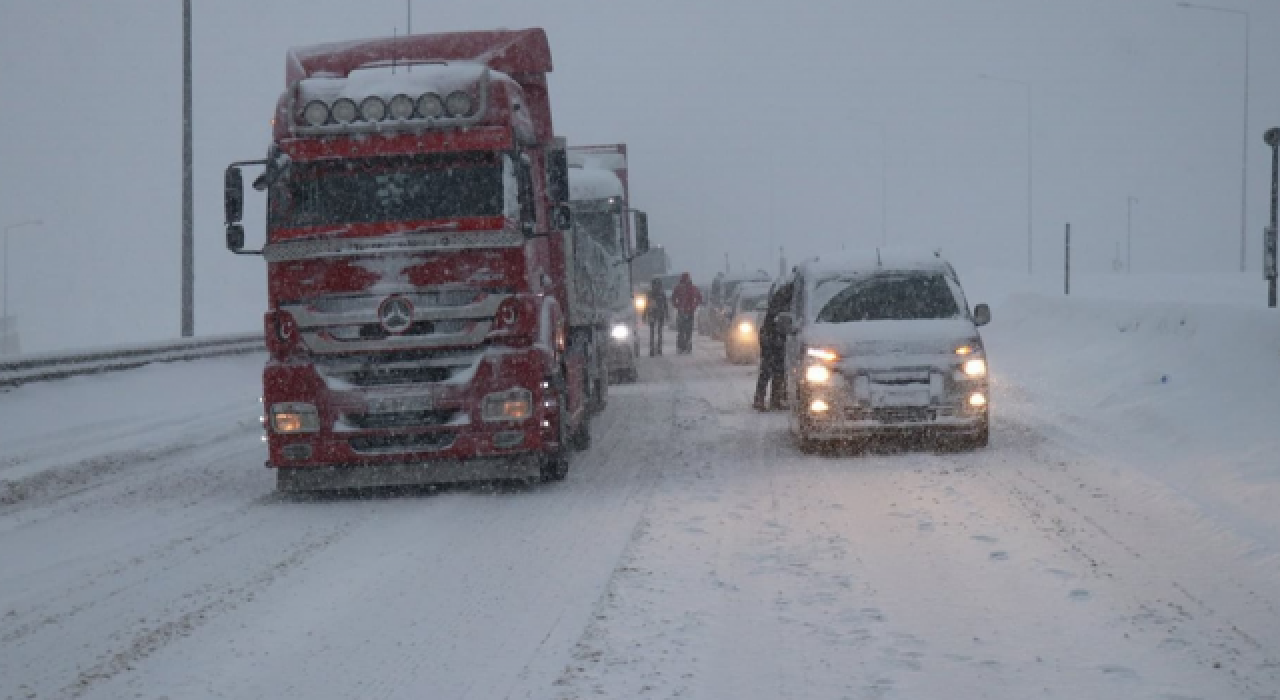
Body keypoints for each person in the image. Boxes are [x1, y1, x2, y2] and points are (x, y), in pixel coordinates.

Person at [753, 280, 794, 411]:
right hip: (772, 335)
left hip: (774, 334)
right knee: (769, 368)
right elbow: (775, 315)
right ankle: (761, 399)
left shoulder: (786, 292)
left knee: (778, 368)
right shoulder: (787, 294)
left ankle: (774, 399)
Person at [671, 273, 703, 354]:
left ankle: (681, 347)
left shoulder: (679, 288)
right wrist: (694, 306)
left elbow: (673, 298)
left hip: (683, 311)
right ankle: (687, 345)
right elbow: (699, 298)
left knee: (681, 330)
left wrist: (678, 306)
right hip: (689, 311)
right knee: (688, 330)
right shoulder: (692, 288)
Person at [643, 277, 669, 356]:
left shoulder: (650, 294)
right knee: (659, 332)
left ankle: (652, 350)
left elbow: (646, 306)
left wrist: (644, 315)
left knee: (652, 332)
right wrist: (666, 314)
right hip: (659, 314)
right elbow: (665, 305)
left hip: (652, 314)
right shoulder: (662, 294)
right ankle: (659, 349)